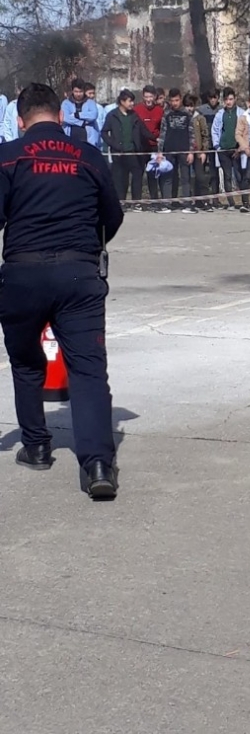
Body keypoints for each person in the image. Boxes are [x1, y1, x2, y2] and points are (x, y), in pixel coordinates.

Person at [0, 82, 123, 499]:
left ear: (21, 121)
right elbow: (112, 215)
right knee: (87, 369)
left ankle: (36, 446)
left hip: (23, 274)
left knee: (26, 361)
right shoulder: (88, 156)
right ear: (61, 115)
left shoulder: (8, 156)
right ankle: (98, 464)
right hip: (78, 273)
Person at [101, 90, 146, 207]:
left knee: (137, 176)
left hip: (133, 152)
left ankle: (136, 203)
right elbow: (104, 133)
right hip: (119, 153)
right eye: (130, 101)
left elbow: (143, 130)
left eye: (133, 101)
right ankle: (121, 203)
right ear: (122, 101)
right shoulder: (112, 115)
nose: (132, 104)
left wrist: (154, 138)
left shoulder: (134, 115)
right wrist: (114, 145)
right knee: (120, 180)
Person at [156, 88, 196, 212]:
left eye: (177, 100)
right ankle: (167, 203)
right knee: (168, 177)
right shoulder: (166, 114)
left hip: (184, 151)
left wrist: (191, 152)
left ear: (180, 99)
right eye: (172, 101)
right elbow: (162, 134)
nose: (174, 103)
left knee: (185, 178)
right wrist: (160, 152)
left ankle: (187, 203)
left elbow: (192, 134)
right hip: (169, 151)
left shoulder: (187, 114)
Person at [212, 88, 250, 211]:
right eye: (226, 99)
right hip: (223, 150)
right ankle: (231, 203)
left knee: (240, 176)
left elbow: (246, 132)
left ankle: (245, 202)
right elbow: (215, 130)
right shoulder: (220, 114)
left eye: (231, 99)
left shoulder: (241, 113)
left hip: (237, 150)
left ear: (235, 99)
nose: (228, 102)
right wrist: (217, 146)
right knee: (227, 176)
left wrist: (241, 147)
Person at [184, 93, 215, 210]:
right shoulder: (183, 118)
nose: (189, 108)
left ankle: (204, 201)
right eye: (187, 106)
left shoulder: (200, 118)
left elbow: (205, 135)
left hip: (198, 152)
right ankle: (189, 200)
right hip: (186, 152)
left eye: (191, 106)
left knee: (200, 177)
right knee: (187, 178)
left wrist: (204, 151)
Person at [134, 84, 164, 201]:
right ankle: (136, 201)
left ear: (155, 97)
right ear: (143, 97)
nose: (148, 100)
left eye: (150, 97)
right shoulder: (137, 109)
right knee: (138, 174)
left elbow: (162, 128)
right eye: (146, 97)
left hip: (154, 147)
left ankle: (154, 200)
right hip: (140, 146)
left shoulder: (160, 110)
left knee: (153, 174)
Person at [62, 78, 100, 147]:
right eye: (76, 91)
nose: (78, 94)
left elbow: (93, 115)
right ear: (72, 91)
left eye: (80, 91)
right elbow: (65, 118)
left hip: (88, 140)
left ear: (84, 91)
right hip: (70, 139)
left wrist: (77, 115)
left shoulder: (90, 102)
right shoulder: (66, 103)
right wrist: (81, 122)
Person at [84, 82, 106, 147]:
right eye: (89, 93)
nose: (92, 96)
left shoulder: (99, 108)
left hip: (98, 141)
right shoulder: (81, 108)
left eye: (93, 93)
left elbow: (103, 123)